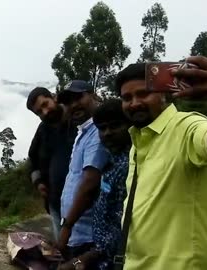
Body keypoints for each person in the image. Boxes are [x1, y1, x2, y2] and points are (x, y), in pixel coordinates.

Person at [115, 56, 207, 270]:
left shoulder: (186, 126)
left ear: (164, 95)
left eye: (143, 93)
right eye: (126, 97)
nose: (134, 103)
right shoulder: (138, 140)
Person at [58, 99, 131, 270]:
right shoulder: (111, 161)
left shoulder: (127, 167)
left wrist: (83, 259)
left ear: (129, 125)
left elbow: (121, 225)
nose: (107, 133)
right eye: (102, 128)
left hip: (113, 258)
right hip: (99, 252)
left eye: (114, 126)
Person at [56, 81, 110, 264]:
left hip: (88, 235)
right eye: (68, 102)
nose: (73, 105)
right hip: (78, 234)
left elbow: (89, 184)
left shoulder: (98, 132)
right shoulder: (84, 131)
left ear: (93, 95)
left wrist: (67, 227)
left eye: (78, 98)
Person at [26, 86, 78, 241]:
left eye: (45, 104)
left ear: (54, 97)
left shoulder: (76, 120)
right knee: (62, 248)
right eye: (39, 112)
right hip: (55, 204)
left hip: (83, 205)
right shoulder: (43, 130)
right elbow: (32, 157)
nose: (45, 112)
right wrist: (38, 181)